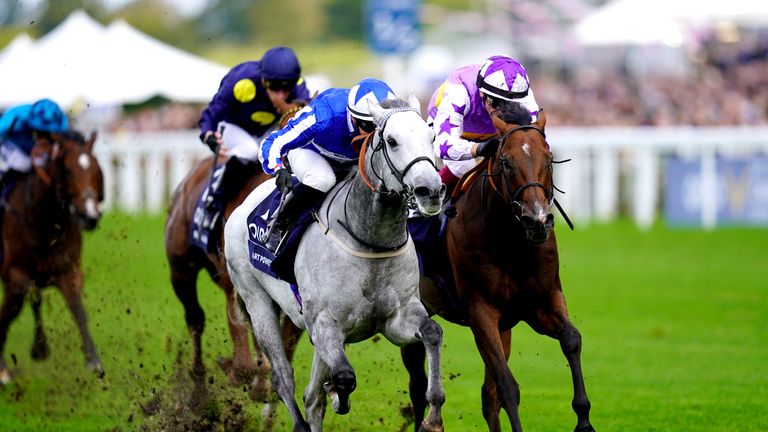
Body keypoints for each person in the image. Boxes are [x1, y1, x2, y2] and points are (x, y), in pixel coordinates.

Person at [260, 77, 397, 252]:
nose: (376, 133)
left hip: (351, 157)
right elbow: (272, 142)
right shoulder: (323, 116)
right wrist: (278, 169)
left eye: (381, 127)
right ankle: (280, 222)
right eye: (370, 127)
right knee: (323, 179)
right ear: (355, 119)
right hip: (311, 151)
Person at [198, 46, 310, 208]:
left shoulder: (299, 86)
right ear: (264, 81)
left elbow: (306, 117)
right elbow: (214, 110)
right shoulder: (242, 82)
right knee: (249, 150)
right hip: (233, 126)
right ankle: (217, 195)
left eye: (287, 88)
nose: (281, 95)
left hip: (267, 129)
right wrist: (207, 134)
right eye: (275, 87)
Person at [427, 55, 541, 191]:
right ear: (481, 93)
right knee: (464, 166)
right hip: (448, 128)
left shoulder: (521, 94)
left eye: (508, 104)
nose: (500, 111)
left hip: (490, 134)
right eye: (495, 102)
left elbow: (536, 141)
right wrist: (479, 149)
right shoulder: (459, 90)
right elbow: (444, 145)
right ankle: (426, 204)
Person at [0, 98, 69, 189]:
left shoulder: (59, 120)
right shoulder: (13, 120)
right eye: (43, 131)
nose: (46, 136)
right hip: (6, 140)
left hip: (26, 141)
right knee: (25, 165)